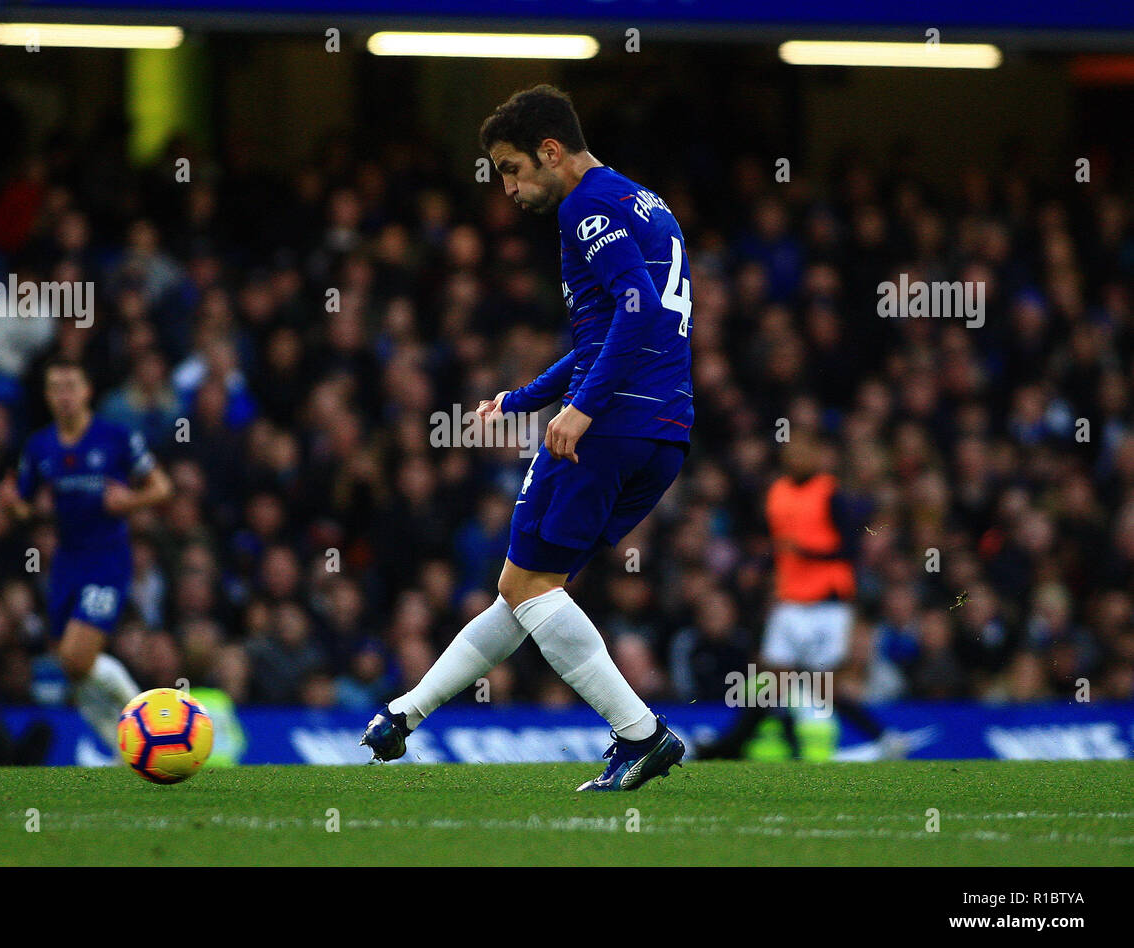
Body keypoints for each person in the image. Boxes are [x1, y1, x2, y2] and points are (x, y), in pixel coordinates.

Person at [361, 85, 692, 791]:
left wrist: (579, 410)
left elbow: (633, 308)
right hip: (663, 429)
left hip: (610, 421)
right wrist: (527, 398)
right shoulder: (646, 203)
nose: (506, 187)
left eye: (510, 169)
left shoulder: (583, 205)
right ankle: (405, 715)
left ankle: (642, 734)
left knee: (529, 584)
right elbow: (618, 325)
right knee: (528, 588)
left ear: (550, 152)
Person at [695, 434, 907, 759]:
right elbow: (782, 545)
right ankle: (735, 745)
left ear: (816, 455)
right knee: (771, 680)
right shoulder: (777, 492)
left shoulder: (831, 493)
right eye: (791, 452)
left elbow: (849, 549)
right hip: (790, 600)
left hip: (826, 602)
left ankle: (883, 737)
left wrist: (806, 553)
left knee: (819, 685)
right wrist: (760, 566)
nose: (796, 458)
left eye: (803, 452)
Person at [0, 356, 173, 749]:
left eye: (71, 386)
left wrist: (129, 502)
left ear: (87, 391)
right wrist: (13, 504)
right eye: (55, 388)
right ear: (46, 395)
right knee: (71, 667)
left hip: (107, 559)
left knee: (78, 659)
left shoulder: (116, 437)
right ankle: (120, 746)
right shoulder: (40, 446)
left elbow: (162, 487)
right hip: (66, 561)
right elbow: (24, 505)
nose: (64, 396)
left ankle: (139, 709)